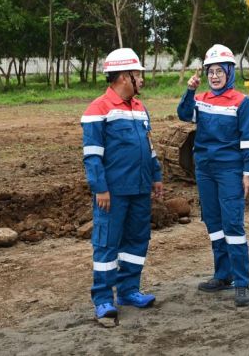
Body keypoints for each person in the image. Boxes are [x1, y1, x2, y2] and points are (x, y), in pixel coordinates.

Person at [81, 47, 164, 323]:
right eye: (137, 73)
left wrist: (156, 176)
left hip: (140, 188)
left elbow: (149, 148)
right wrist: (99, 188)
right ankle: (104, 299)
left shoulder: (140, 108)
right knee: (107, 244)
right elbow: (92, 155)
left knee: (137, 240)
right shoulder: (97, 110)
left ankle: (129, 290)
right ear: (123, 77)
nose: (141, 78)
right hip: (113, 192)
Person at [176, 44, 249, 307]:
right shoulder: (201, 99)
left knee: (233, 225)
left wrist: (248, 172)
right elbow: (183, 115)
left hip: (230, 170)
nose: (214, 76)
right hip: (205, 170)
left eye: (219, 71)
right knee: (214, 223)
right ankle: (222, 275)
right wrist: (190, 90)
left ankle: (241, 282)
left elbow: (248, 140)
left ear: (229, 72)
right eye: (210, 71)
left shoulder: (242, 102)